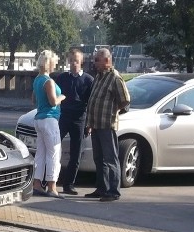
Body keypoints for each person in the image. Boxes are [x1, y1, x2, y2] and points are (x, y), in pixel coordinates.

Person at [84, 47, 130, 202]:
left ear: (107, 60)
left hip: (107, 124)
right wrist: (89, 123)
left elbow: (125, 100)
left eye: (97, 59)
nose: (94, 62)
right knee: (99, 158)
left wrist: (114, 111)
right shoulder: (98, 76)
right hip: (96, 124)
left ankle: (113, 191)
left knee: (110, 159)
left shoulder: (115, 77)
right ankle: (102, 188)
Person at [54, 47, 94, 195]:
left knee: (76, 152)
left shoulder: (88, 80)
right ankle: (50, 179)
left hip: (79, 118)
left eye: (76, 61)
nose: (73, 64)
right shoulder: (62, 78)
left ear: (81, 62)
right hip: (64, 116)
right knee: (54, 146)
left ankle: (69, 184)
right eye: (71, 61)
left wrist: (89, 123)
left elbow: (91, 102)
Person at [32, 49, 65, 198]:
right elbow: (53, 102)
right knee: (54, 154)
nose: (55, 65)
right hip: (50, 119)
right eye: (54, 62)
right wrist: (62, 97)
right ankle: (52, 186)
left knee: (40, 153)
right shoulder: (48, 81)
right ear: (49, 63)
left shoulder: (37, 80)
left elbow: (33, 100)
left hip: (39, 119)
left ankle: (37, 184)